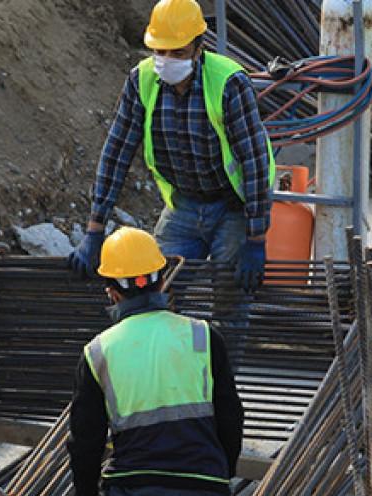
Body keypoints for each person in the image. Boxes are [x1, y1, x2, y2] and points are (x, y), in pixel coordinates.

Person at [67, 227, 252, 496]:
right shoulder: (204, 337)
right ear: (161, 279)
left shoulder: (98, 352)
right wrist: (220, 476)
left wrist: (85, 495)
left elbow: (85, 440)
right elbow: (231, 418)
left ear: (111, 291)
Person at [69, 0, 274, 294]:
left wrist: (256, 239)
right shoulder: (142, 81)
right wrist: (95, 228)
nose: (167, 60)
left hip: (233, 206)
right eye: (160, 51)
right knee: (156, 289)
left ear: (199, 47)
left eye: (178, 52)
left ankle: (225, 340)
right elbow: (116, 152)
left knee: (230, 297)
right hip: (184, 205)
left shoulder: (229, 84)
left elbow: (254, 164)